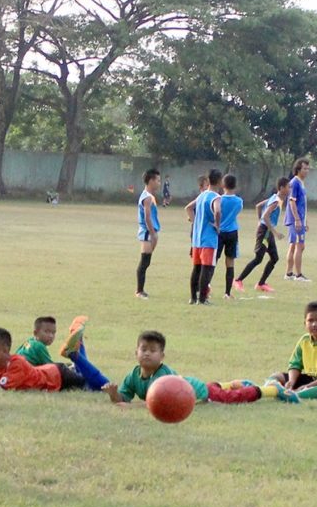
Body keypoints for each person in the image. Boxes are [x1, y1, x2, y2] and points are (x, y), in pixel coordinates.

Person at [102, 330, 269, 407]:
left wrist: (132, 407)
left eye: (153, 350)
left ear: (162, 356)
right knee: (218, 388)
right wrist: (114, 394)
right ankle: (234, 383)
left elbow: (156, 403)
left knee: (231, 398)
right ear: (136, 353)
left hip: (201, 393)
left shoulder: (163, 376)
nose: (147, 353)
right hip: (193, 386)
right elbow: (123, 399)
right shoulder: (133, 375)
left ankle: (267, 389)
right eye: (143, 349)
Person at [0, 326, 110, 393]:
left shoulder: (16, 365)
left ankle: (76, 352)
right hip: (51, 371)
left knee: (98, 387)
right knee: (89, 380)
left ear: (5, 350)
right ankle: (77, 344)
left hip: (58, 377)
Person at [237, 177, 289, 293]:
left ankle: (261, 284)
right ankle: (238, 280)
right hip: (265, 232)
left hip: (267, 231)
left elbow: (258, 206)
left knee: (274, 258)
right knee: (258, 259)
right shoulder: (276, 201)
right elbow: (265, 216)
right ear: (281, 188)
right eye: (288, 187)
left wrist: (260, 221)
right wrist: (274, 232)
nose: (289, 189)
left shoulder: (275, 198)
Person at [184, 170, 222, 304]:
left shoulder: (201, 196)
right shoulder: (216, 197)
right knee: (207, 268)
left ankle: (193, 298)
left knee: (197, 268)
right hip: (208, 239)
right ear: (219, 181)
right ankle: (202, 299)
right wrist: (217, 225)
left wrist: (195, 222)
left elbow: (188, 208)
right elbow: (217, 211)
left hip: (197, 239)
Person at [212, 174, 244, 299]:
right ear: (235, 186)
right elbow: (236, 212)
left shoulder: (219, 199)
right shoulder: (239, 201)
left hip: (219, 232)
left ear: (223, 185)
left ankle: (206, 287)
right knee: (230, 262)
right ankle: (227, 293)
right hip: (232, 233)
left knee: (213, 261)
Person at [135, 169, 161, 299]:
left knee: (147, 261)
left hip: (150, 231)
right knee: (144, 261)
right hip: (147, 232)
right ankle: (139, 291)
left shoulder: (149, 196)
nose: (159, 183)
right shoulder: (147, 198)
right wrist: (152, 233)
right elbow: (147, 217)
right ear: (151, 181)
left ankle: (141, 290)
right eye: (158, 180)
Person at [285, 159, 311, 282]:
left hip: (300, 219)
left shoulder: (301, 183)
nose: (307, 171)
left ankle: (289, 273)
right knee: (299, 246)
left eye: (308, 169)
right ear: (298, 169)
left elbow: (302, 204)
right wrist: (297, 219)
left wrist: (305, 221)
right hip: (296, 220)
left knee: (294, 246)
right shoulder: (294, 183)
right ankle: (298, 275)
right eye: (304, 168)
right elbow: (292, 201)